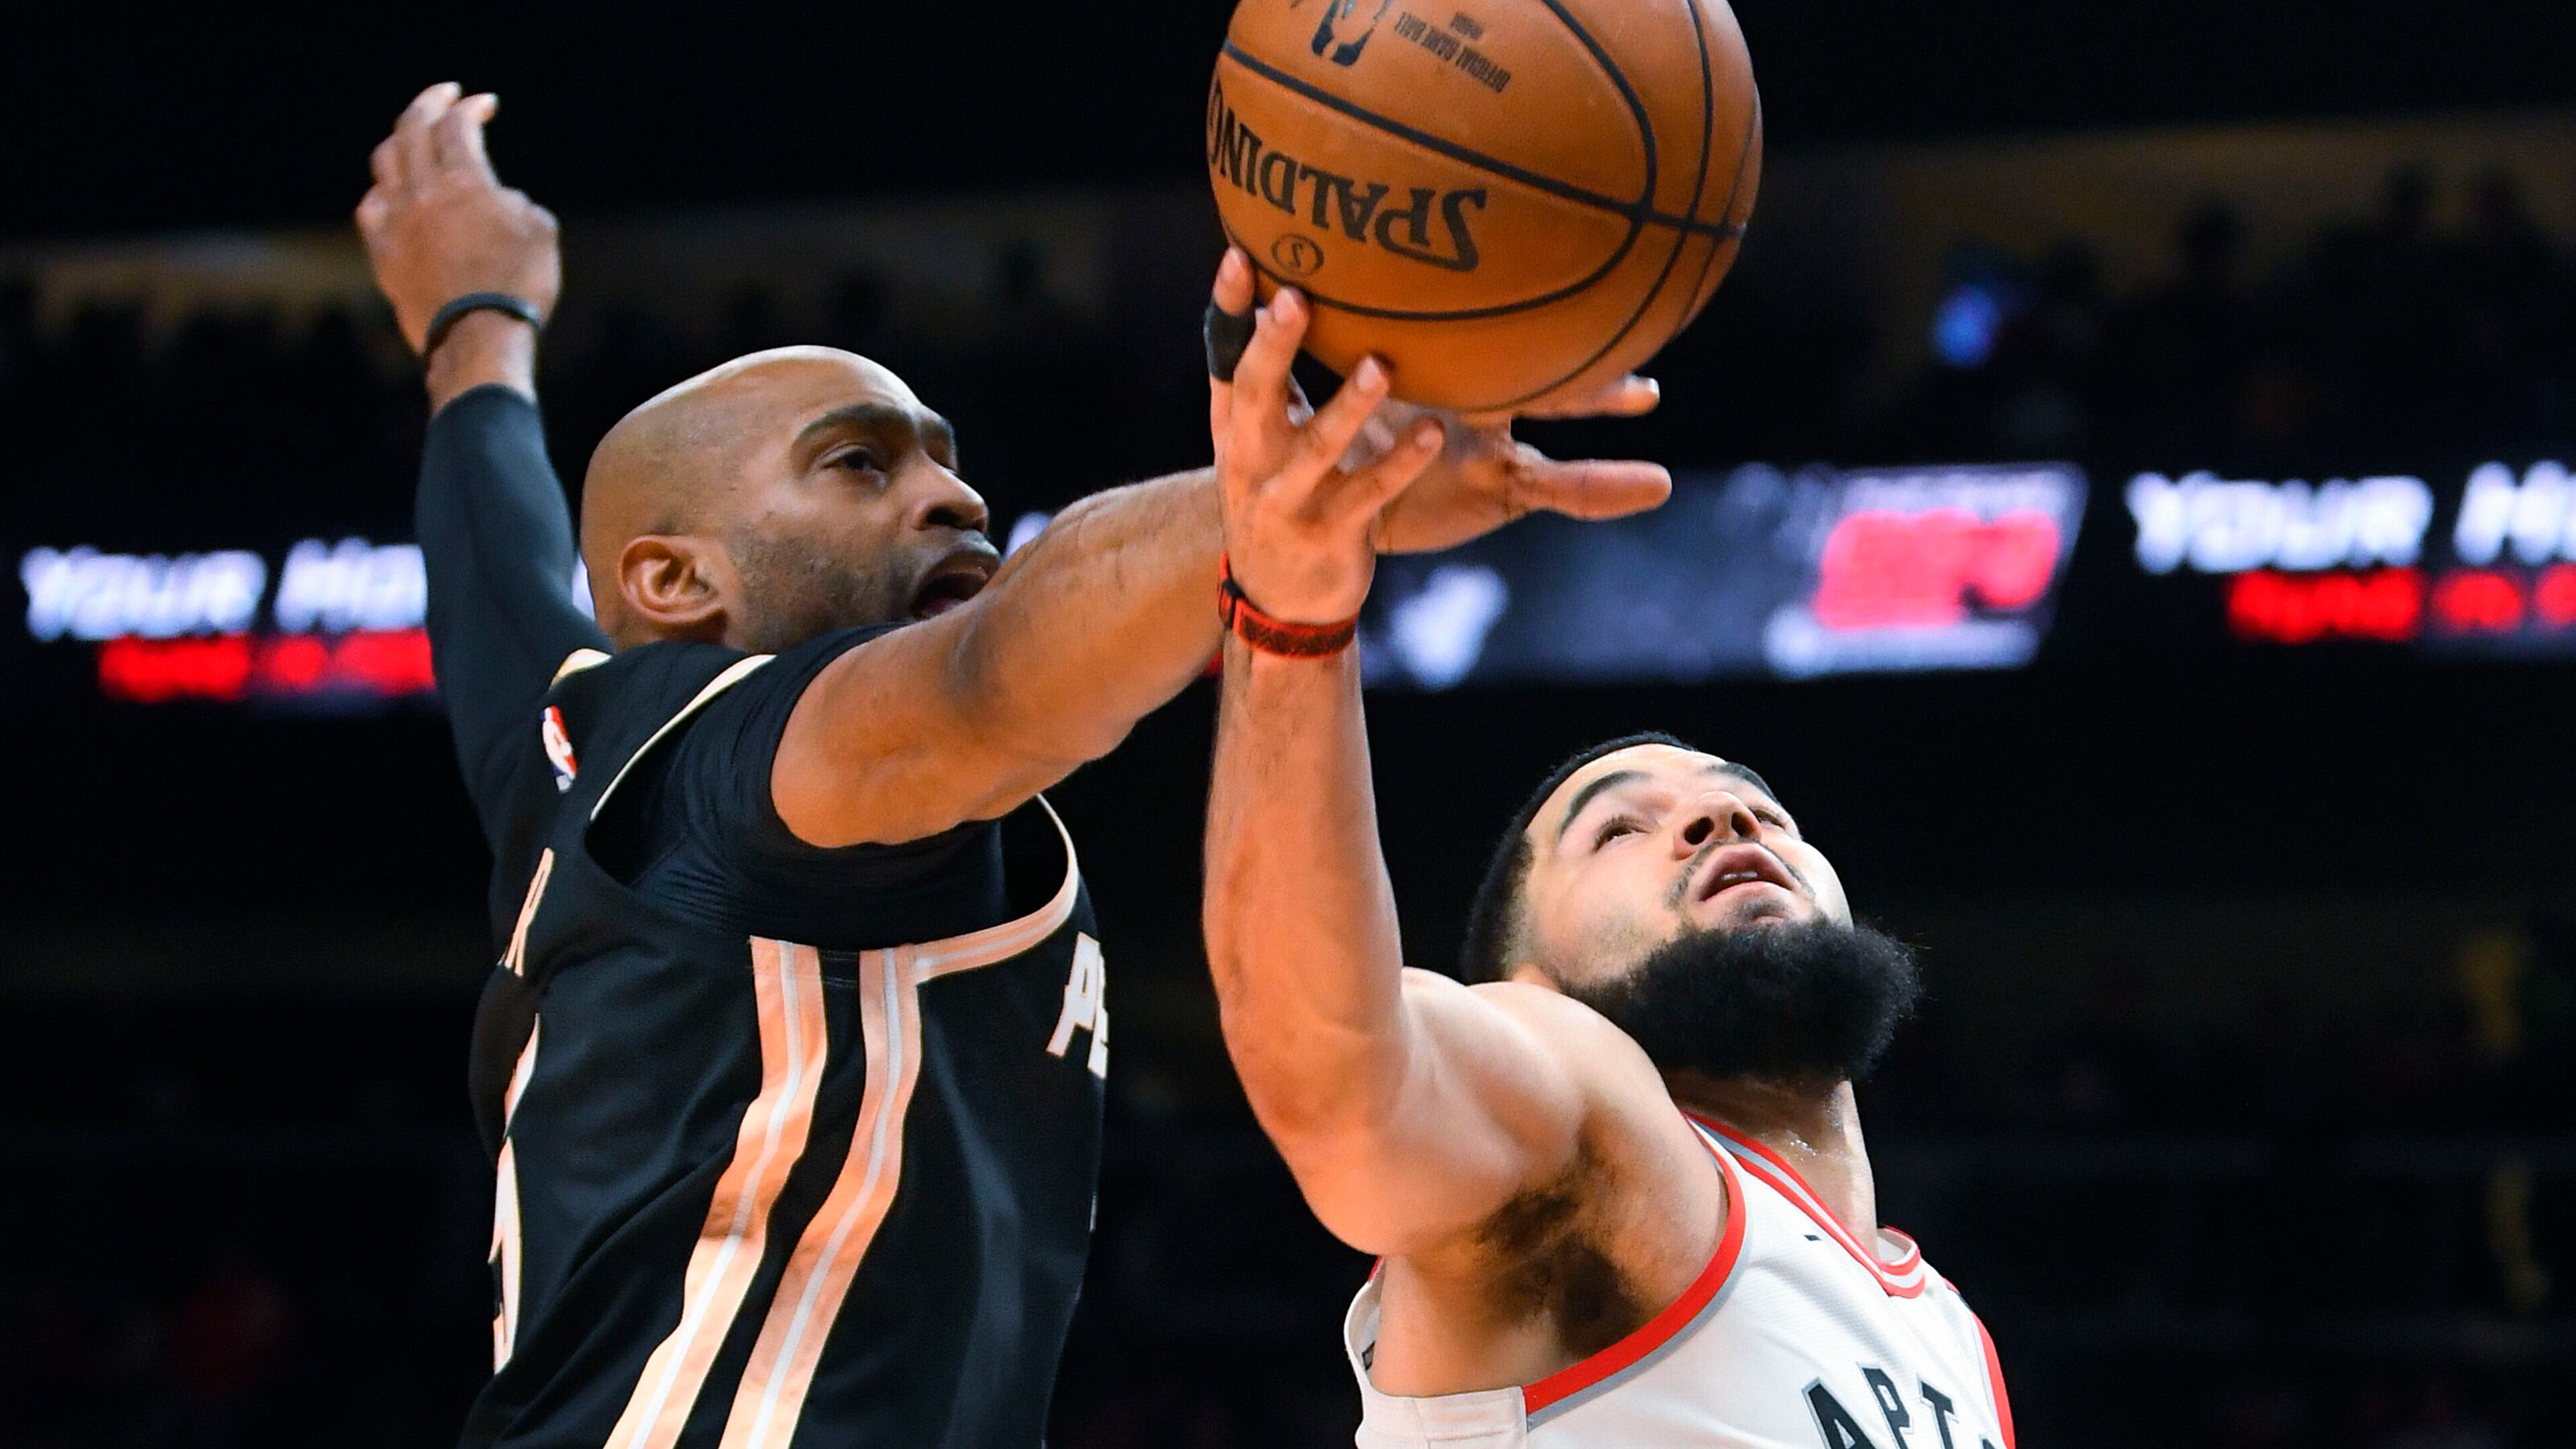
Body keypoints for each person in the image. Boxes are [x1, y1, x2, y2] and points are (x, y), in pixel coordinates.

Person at [354, 83, 1671, 1449]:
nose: (956, 496)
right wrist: (1280, 503)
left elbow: (495, 574)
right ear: (679, 583)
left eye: (946, 458)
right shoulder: (737, 762)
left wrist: (476, 324)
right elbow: (998, 675)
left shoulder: (564, 752)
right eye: (859, 464)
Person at [1200, 288, 2016, 1447]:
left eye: (1751, 803)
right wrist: (1291, 613)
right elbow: (1338, 1072)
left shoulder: (1950, 1334)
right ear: (1527, 989)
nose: (1719, 820)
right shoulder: (1594, 1126)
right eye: (1620, 829)